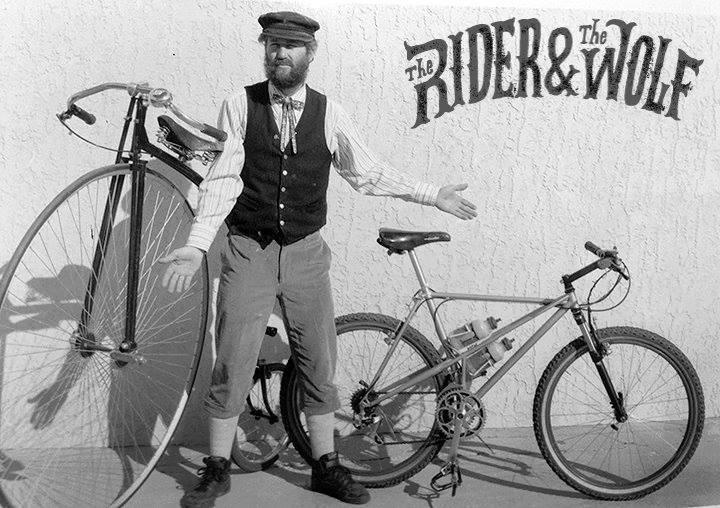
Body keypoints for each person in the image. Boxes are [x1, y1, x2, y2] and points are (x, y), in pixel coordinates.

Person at [159, 10, 477, 507]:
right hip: (249, 249)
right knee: (234, 360)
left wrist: (431, 194)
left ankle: (325, 466)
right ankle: (217, 468)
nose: (279, 53)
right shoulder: (239, 105)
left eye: (290, 45)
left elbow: (366, 172)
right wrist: (197, 243)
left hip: (306, 253)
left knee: (317, 362)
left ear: (310, 53)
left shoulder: (329, 113)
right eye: (272, 43)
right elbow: (222, 180)